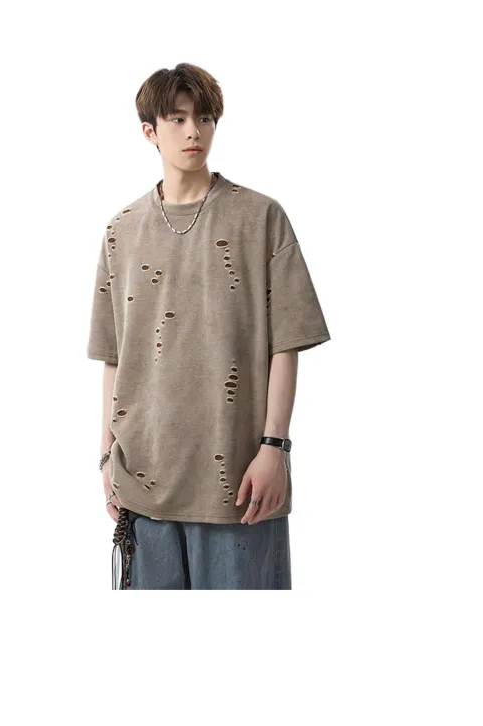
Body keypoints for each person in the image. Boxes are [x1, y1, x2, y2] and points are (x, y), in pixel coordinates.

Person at [87, 63, 331, 589]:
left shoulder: (260, 218)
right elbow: (114, 357)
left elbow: (287, 344)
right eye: (176, 119)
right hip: (143, 481)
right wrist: (106, 455)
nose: (193, 132)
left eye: (204, 118)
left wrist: (275, 447)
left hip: (239, 485)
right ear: (150, 131)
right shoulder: (121, 231)